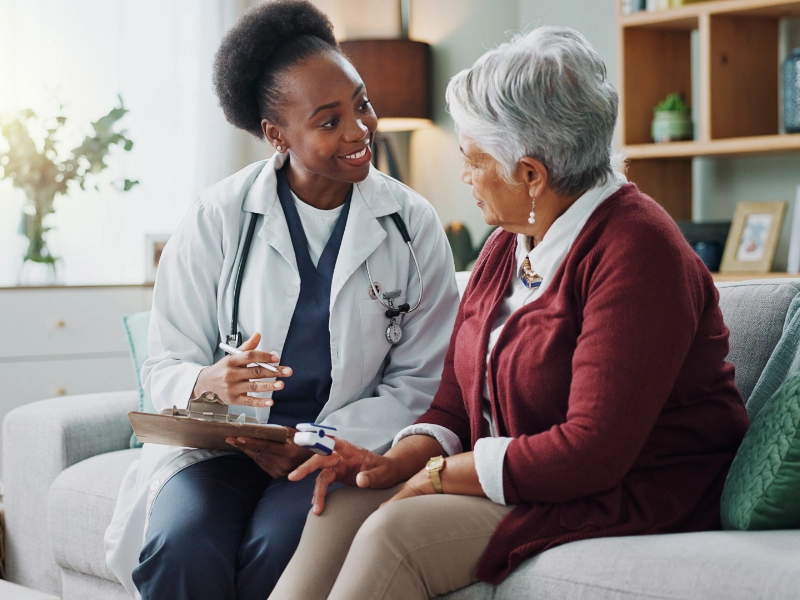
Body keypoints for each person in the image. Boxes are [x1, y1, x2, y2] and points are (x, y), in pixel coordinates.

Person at [268, 26, 751, 600]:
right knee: (338, 510)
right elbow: (452, 402)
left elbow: (591, 453)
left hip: (628, 489)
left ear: (530, 175)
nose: (466, 179)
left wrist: (441, 477)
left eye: (473, 161)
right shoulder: (509, 242)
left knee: (395, 532)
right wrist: (393, 463)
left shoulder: (638, 250)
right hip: (518, 479)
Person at [103, 2, 459, 599]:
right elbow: (164, 365)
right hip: (222, 447)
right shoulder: (218, 217)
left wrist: (316, 439)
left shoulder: (410, 223)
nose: (359, 130)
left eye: (361, 104)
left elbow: (422, 383)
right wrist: (210, 384)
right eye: (328, 121)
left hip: (333, 449)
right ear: (276, 134)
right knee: (184, 544)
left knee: (281, 547)